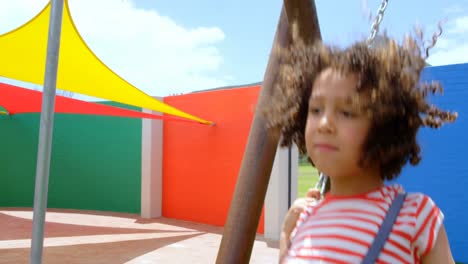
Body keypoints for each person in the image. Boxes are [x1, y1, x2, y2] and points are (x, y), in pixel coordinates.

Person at [264, 26, 457, 263]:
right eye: (315, 110)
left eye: (347, 112)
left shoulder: (415, 215)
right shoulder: (307, 217)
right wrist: (286, 233)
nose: (324, 123)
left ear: (384, 126)